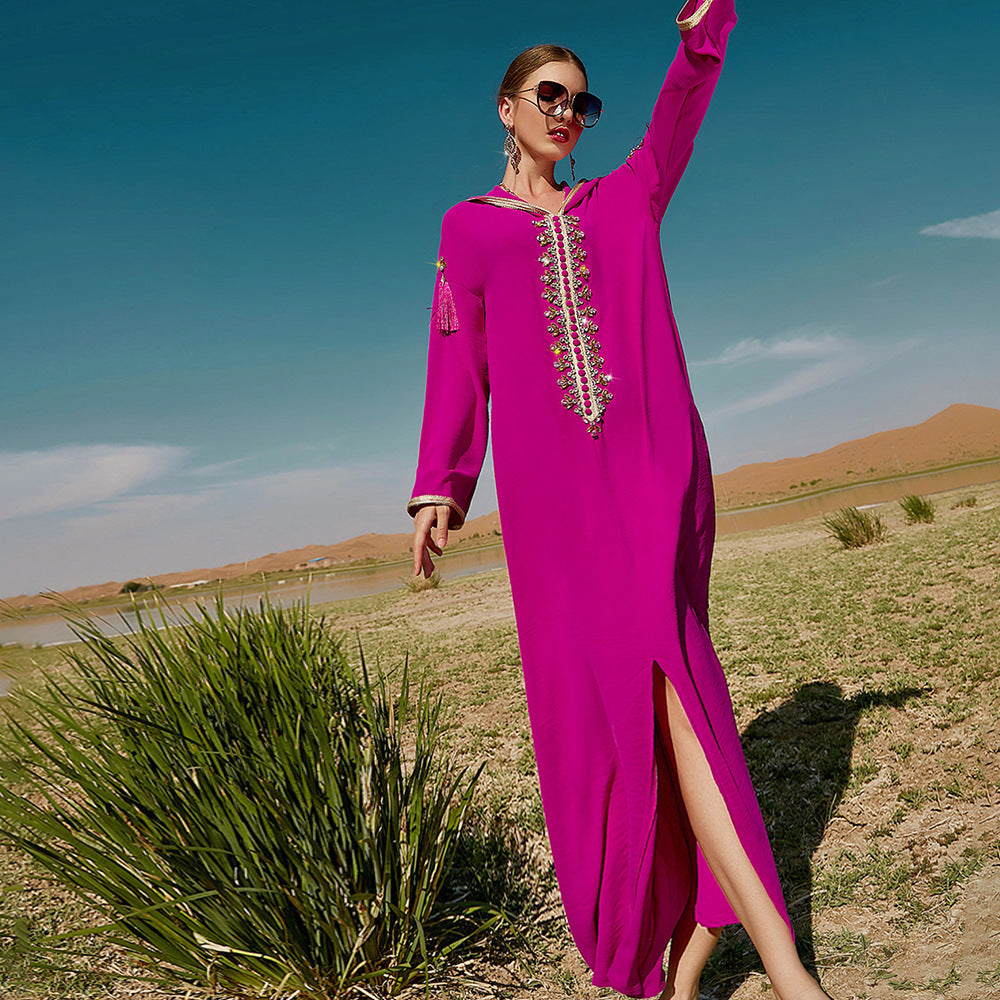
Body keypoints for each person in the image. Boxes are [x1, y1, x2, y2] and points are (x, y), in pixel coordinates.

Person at [406, 2, 834, 998]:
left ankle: (784, 973)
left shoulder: (625, 198)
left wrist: (703, 33)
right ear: (506, 108)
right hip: (554, 512)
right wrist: (441, 483)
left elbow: (679, 115)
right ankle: (684, 959)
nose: (566, 113)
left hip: (653, 477)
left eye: (581, 101)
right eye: (548, 96)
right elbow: (454, 360)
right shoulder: (465, 231)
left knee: (682, 692)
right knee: (624, 724)